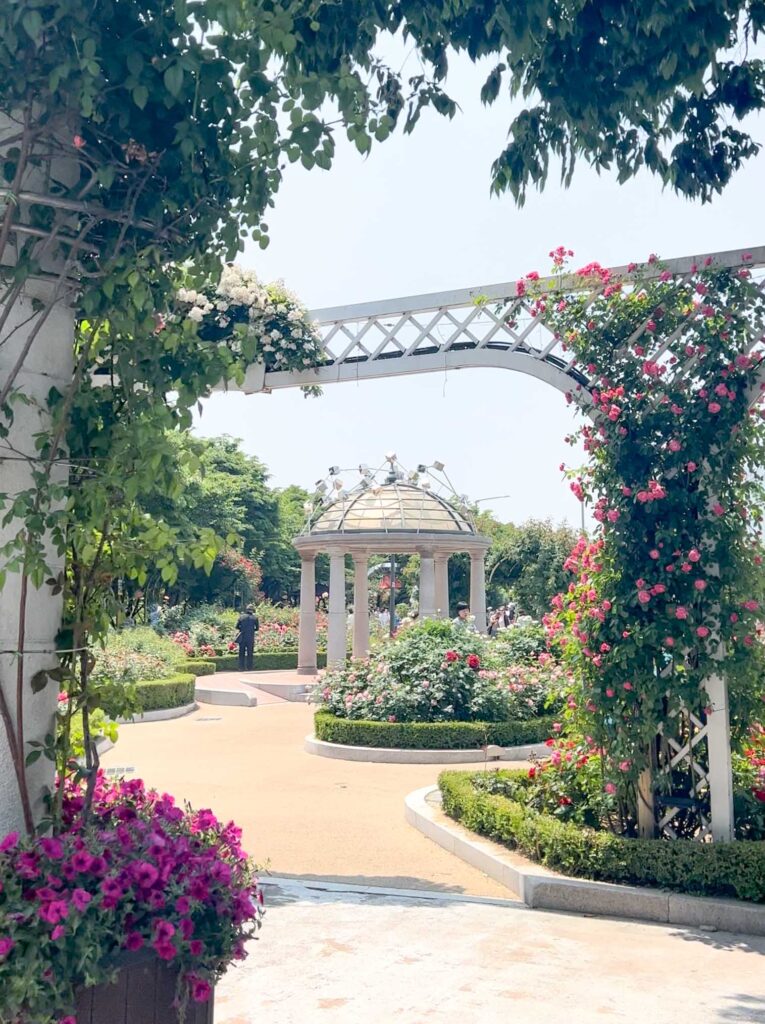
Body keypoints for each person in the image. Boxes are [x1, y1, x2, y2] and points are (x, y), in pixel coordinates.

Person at [236, 605, 259, 671]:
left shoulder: (241, 617)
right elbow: (257, 628)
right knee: (250, 653)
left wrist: (242, 629)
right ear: (252, 610)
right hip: (250, 637)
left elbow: (237, 626)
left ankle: (241, 667)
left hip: (242, 636)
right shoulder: (255, 618)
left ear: (246, 610)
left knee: (241, 653)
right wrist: (251, 630)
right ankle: (250, 667)